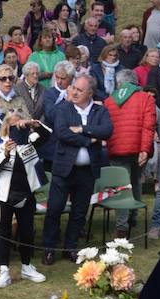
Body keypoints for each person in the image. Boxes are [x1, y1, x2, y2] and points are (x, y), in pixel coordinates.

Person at [42, 75, 112, 263]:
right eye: (73, 88)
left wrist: (81, 128)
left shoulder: (99, 110)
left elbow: (107, 130)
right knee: (55, 209)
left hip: (87, 171)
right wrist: (90, 139)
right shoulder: (64, 109)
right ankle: (48, 248)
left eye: (79, 90)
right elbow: (62, 133)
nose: (73, 92)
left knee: (79, 212)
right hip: (64, 169)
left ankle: (70, 247)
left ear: (90, 93)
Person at [0, 82, 47, 288]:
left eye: (18, 124)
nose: (15, 128)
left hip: (27, 192)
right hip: (5, 194)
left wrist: (32, 125)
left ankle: (27, 266)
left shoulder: (29, 141)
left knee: (27, 231)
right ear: (5, 126)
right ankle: (3, 270)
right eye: (12, 125)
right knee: (3, 232)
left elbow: (47, 136)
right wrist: (6, 152)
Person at [102, 70, 155, 237]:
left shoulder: (109, 101)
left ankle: (121, 227)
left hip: (117, 149)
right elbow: (149, 126)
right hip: (138, 149)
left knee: (121, 187)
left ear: (119, 84)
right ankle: (133, 215)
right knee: (136, 182)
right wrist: (145, 149)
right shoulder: (146, 98)